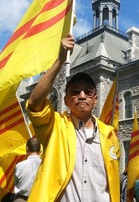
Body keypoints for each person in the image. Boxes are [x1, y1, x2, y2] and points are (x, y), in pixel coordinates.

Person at [26, 33, 120, 201]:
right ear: (66, 100)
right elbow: (34, 104)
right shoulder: (55, 126)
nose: (82, 95)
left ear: (95, 99)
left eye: (88, 91)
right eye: (75, 91)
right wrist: (60, 61)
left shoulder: (110, 135)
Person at [13, 137, 42, 201]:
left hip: (21, 199)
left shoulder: (19, 166)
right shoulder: (44, 165)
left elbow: (16, 183)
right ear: (40, 150)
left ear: (26, 148)